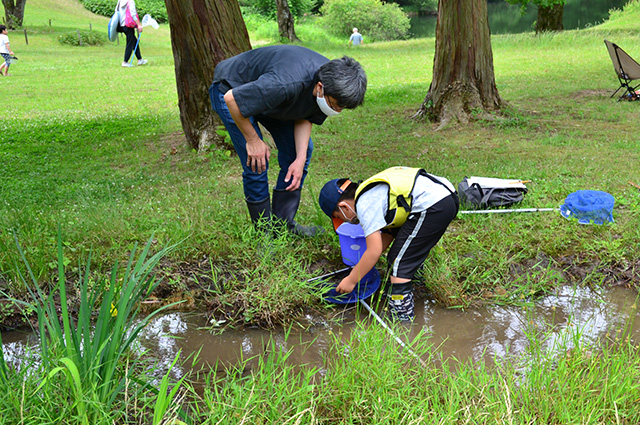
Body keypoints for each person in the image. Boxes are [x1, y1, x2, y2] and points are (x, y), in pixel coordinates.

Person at [209, 45, 367, 236]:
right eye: (336, 105)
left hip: (270, 98)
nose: (338, 110)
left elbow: (305, 115)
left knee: (300, 152)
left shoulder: (332, 82)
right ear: (319, 87)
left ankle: (283, 225)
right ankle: (264, 234)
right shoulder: (284, 84)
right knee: (257, 162)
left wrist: (300, 159)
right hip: (232, 89)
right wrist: (253, 141)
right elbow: (232, 99)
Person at [318, 166, 459, 321]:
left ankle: (401, 318)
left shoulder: (364, 205)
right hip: (443, 195)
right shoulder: (371, 193)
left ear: (344, 207)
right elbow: (387, 235)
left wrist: (352, 279)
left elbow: (374, 251)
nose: (348, 222)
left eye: (341, 217)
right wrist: (363, 266)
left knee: (399, 261)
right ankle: (414, 285)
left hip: (432, 204)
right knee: (405, 249)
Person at [115, 0, 148, 68]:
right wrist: (139, 25)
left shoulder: (120, 1)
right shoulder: (130, 1)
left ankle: (140, 59)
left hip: (121, 25)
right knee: (130, 43)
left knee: (134, 41)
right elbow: (133, 14)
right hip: (128, 25)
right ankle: (125, 62)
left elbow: (116, 12)